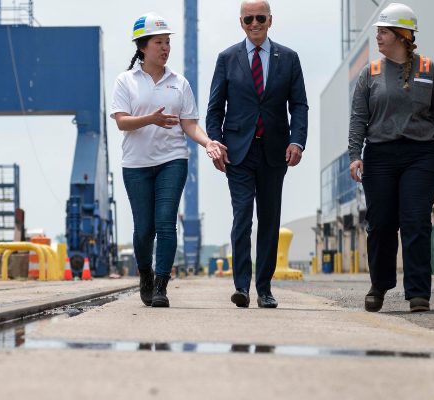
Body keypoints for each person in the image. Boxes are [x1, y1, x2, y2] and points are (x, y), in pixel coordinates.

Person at [111, 12, 227, 308]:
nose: (165, 48)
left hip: (172, 160)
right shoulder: (126, 81)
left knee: (165, 223)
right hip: (136, 164)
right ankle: (145, 274)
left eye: (167, 42)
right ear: (142, 46)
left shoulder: (179, 83)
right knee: (143, 229)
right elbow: (122, 122)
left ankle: (161, 285)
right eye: (159, 42)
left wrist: (208, 142)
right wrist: (151, 119)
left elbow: (189, 124)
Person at [348, 3, 434, 313]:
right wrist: (355, 155)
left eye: (383, 32)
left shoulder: (430, 71)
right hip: (380, 157)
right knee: (381, 223)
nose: (378, 37)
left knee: (415, 221)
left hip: (421, 155)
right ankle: (379, 285)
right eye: (378, 32)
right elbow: (358, 118)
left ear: (401, 35)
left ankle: (418, 292)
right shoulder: (369, 74)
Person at [206, 0, 308, 309]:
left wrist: (297, 142)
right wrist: (216, 143)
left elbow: (299, 106)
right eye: (248, 18)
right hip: (238, 152)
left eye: (260, 17)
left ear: (270, 20)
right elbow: (215, 109)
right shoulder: (227, 59)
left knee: (269, 219)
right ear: (241, 22)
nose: (254, 23)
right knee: (242, 217)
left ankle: (264, 288)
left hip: (275, 151)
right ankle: (241, 287)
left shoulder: (289, 59)